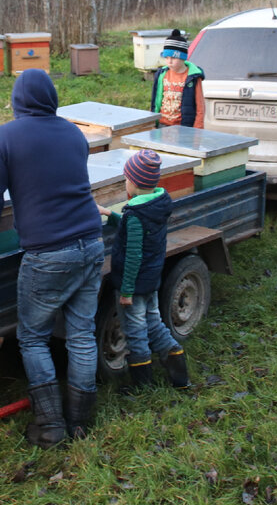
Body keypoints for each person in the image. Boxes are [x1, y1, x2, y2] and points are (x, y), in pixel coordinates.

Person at [0, 69, 105, 447]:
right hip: (91, 242)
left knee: (32, 338)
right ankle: (80, 420)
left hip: (49, 253)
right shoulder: (74, 134)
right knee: (82, 334)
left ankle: (51, 425)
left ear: (17, 102)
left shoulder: (7, 137)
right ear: (52, 99)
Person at [99, 149, 191, 392]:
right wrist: (111, 215)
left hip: (134, 285)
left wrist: (126, 291)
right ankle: (180, 377)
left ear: (133, 183)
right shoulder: (156, 206)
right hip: (151, 281)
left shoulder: (136, 215)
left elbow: (133, 256)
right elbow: (137, 232)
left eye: (126, 179)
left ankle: (142, 386)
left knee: (135, 332)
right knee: (155, 324)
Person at [150, 29, 205, 128]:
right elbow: (155, 101)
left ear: (183, 58)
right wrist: (152, 122)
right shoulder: (161, 74)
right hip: (162, 125)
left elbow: (200, 106)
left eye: (173, 58)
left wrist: (198, 130)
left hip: (183, 128)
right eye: (166, 58)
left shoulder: (193, 77)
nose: (169, 61)